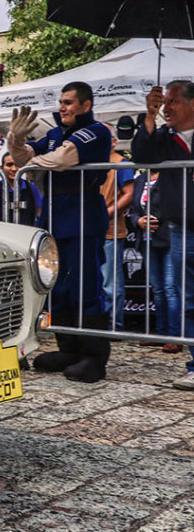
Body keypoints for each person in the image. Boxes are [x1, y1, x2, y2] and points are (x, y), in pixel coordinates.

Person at [7, 81, 112, 383]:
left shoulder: (96, 131)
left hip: (83, 218)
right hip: (56, 218)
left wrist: (34, 164)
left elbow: (63, 159)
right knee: (60, 289)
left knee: (85, 288)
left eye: (68, 102)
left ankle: (94, 356)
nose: (62, 107)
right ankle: (69, 349)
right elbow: (25, 157)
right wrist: (15, 139)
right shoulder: (55, 134)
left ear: (85, 105)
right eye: (61, 102)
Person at [131, 80, 194, 390]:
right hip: (182, 228)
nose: (166, 108)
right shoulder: (164, 136)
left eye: (173, 101)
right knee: (189, 297)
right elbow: (141, 155)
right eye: (164, 102)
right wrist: (149, 114)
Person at [126, 169, 180, 351]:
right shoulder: (140, 179)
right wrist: (138, 221)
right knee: (157, 288)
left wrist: (153, 219)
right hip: (147, 239)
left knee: (170, 288)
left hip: (169, 238)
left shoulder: (171, 176)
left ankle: (175, 335)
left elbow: (174, 204)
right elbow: (133, 209)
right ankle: (161, 332)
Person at [98, 124, 134, 330]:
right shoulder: (90, 162)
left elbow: (128, 195)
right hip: (90, 230)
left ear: (114, 141)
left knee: (110, 283)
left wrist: (106, 213)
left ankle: (113, 325)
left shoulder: (121, 163)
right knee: (96, 281)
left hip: (110, 230)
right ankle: (98, 324)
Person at [0, 152, 43, 225]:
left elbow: (39, 212)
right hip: (3, 231)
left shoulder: (31, 188)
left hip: (27, 230)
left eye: (17, 164)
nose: (14, 169)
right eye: (9, 165)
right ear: (2, 168)